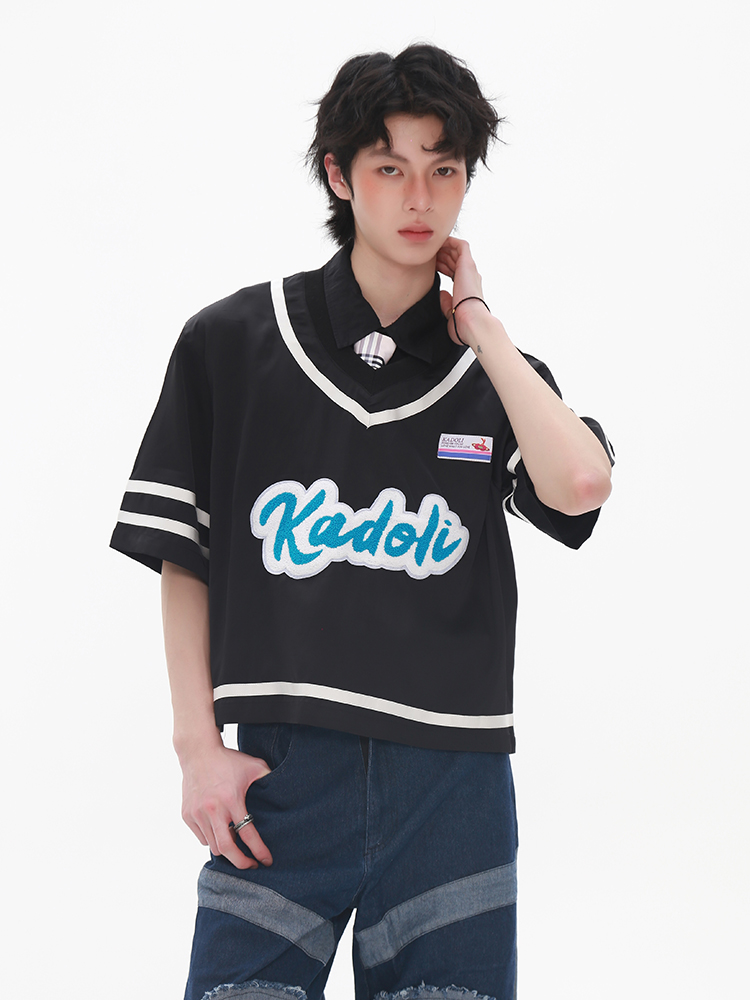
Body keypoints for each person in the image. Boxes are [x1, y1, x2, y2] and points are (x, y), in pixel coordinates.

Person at [111, 43, 613, 1000]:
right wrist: (196, 750)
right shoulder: (232, 343)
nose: (420, 199)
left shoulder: (492, 374)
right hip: (279, 777)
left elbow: (581, 482)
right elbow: (186, 558)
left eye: (444, 170)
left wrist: (483, 324)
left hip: (454, 790)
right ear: (340, 176)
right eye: (391, 169)